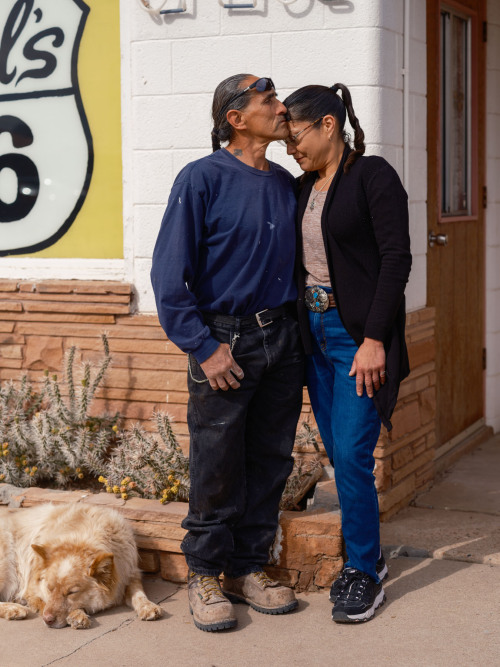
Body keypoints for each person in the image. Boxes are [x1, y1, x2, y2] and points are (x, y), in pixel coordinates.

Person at [151, 74, 304, 632]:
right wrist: (203, 347)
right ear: (236, 119)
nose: (282, 108)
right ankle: (206, 573)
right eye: (269, 102)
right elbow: (169, 275)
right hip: (225, 341)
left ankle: (248, 567)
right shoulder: (201, 179)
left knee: (270, 459)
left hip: (281, 339)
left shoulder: (287, 183)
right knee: (216, 462)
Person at [282, 83, 412, 623]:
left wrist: (375, 339)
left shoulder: (372, 176)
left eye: (296, 138)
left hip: (356, 336)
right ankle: (370, 551)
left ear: (328, 125)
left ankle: (363, 569)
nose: (292, 149)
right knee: (338, 452)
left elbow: (396, 258)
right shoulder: (301, 188)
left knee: (354, 455)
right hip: (312, 335)